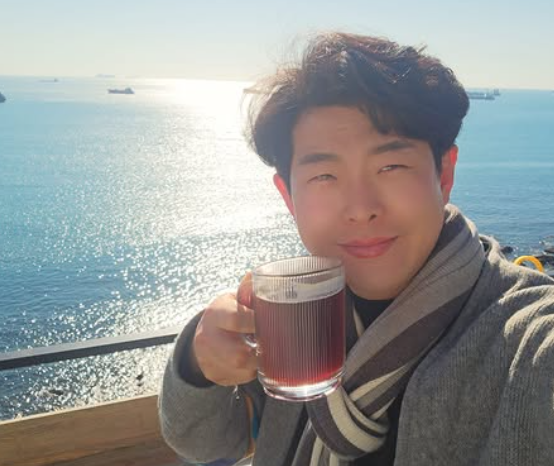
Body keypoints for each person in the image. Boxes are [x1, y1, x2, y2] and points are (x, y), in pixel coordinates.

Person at [158, 32, 554, 466]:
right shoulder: (293, 312)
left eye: (391, 166)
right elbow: (208, 443)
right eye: (324, 176)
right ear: (288, 197)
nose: (361, 209)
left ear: (443, 175)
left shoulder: (524, 339)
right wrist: (198, 364)